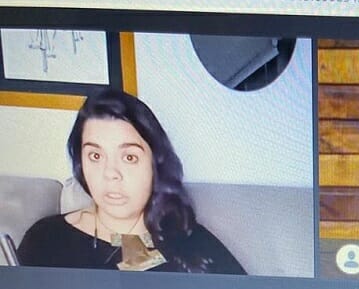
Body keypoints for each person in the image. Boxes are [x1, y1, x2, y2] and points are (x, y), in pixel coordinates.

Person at [18, 89, 245, 275]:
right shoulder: (45, 239)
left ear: (155, 164)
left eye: (129, 157)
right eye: (95, 156)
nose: (111, 173)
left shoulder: (192, 242)